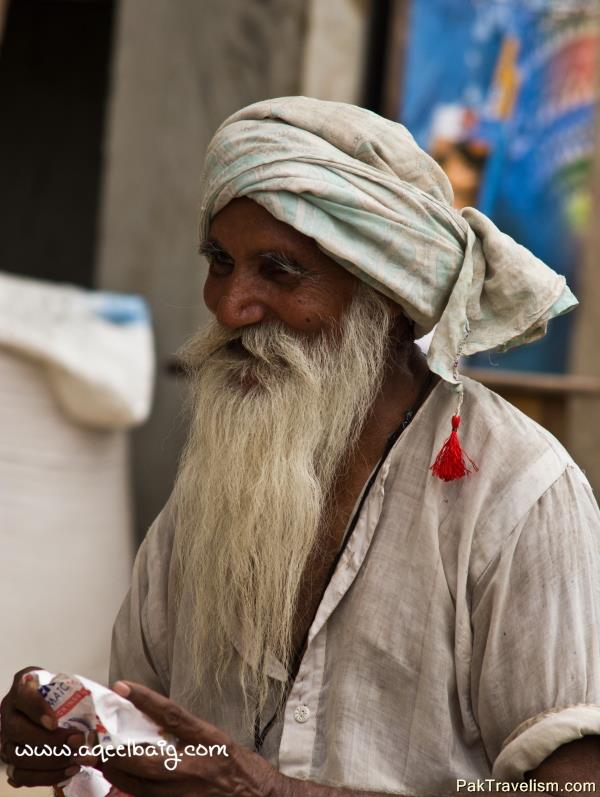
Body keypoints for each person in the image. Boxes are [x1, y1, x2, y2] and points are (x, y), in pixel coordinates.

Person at [2, 97, 600, 796]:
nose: (230, 307)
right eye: (221, 262)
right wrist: (69, 741)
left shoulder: (519, 494)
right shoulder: (214, 489)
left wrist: (273, 792)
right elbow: (148, 753)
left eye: (279, 272)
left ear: (390, 300)